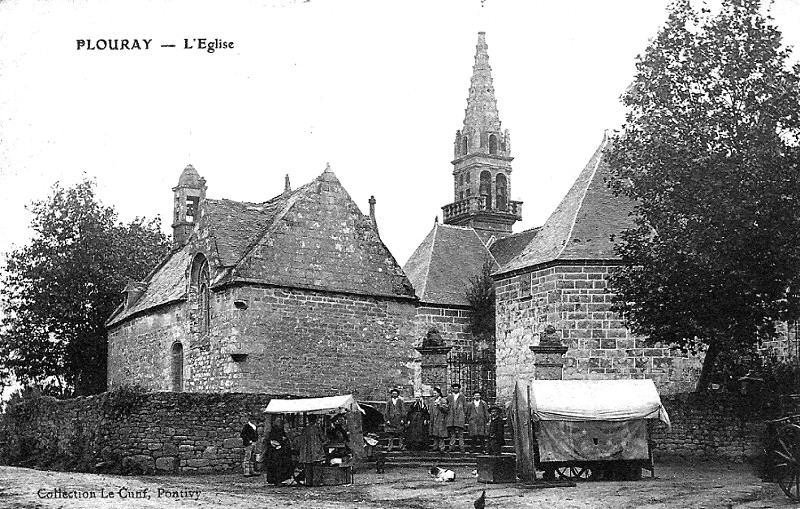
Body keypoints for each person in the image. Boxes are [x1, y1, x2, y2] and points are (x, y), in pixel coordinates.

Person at [265, 416, 295, 484]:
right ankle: (276, 480)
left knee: (283, 466)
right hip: (275, 454)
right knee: (276, 467)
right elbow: (271, 441)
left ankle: (282, 479)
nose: (280, 424)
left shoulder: (282, 431)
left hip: (282, 453)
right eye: (279, 422)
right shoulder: (273, 432)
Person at [445, 383, 466, 453]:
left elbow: (465, 407)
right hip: (451, 417)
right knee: (452, 433)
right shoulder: (449, 397)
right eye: (454, 388)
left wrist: (463, 415)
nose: (455, 389)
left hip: (460, 417)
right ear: (452, 389)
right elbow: (446, 407)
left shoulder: (462, 397)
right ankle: (451, 447)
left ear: (459, 389)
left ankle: (462, 447)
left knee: (460, 434)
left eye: (457, 388)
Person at [429, 387, 449, 452]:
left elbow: (446, 409)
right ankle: (435, 446)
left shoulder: (443, 400)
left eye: (435, 393)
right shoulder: (432, 400)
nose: (434, 394)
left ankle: (442, 447)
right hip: (434, 419)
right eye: (433, 393)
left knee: (441, 434)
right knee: (435, 434)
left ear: (439, 393)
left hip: (441, 419)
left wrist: (439, 406)